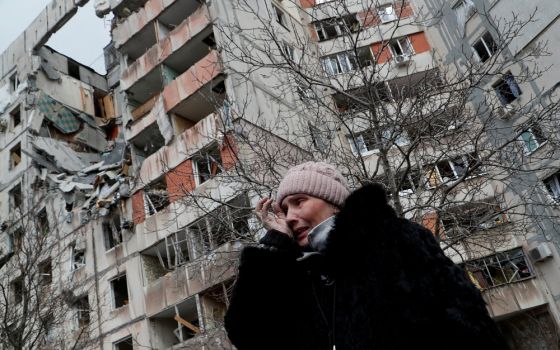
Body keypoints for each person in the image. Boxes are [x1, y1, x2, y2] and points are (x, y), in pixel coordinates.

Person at [224, 162, 507, 350]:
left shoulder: (392, 238)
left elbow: (467, 322)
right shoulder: (294, 273)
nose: (291, 216)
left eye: (300, 202)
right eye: (284, 210)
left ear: (333, 203)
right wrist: (273, 247)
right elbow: (246, 333)